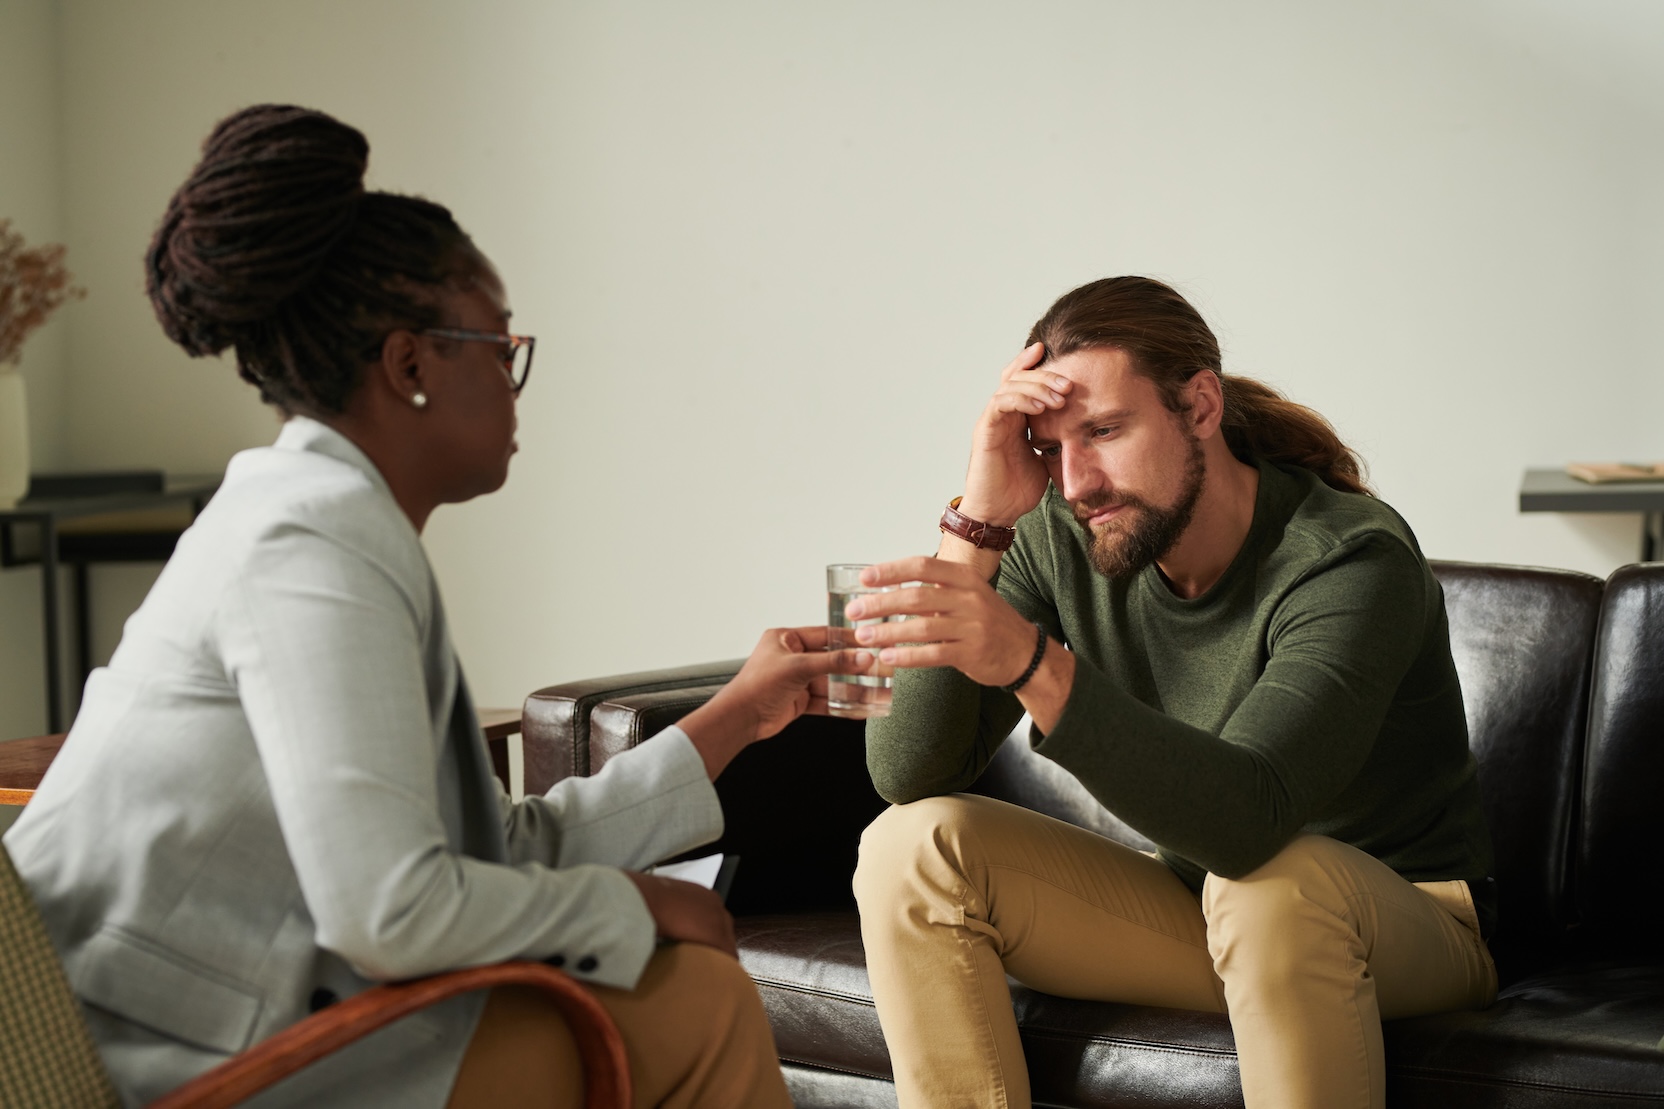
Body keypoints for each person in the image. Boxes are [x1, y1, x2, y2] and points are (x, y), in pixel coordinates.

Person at [4, 105, 859, 1108]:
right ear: (410, 364)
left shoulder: (315, 518)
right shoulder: (310, 544)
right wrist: (629, 907)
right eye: (499, 344)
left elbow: (496, 848)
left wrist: (739, 714)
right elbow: (390, 910)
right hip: (147, 1061)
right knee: (695, 1001)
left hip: (210, 1023)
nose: (512, 380)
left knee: (684, 991)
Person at [845, 276, 1498, 1109]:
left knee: (1274, 887)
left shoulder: (1348, 559)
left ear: (1200, 406)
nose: (1077, 481)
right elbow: (905, 770)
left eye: (1104, 431)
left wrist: (1033, 663)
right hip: (1206, 901)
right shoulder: (1063, 531)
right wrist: (978, 524)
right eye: (1051, 448)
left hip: (1409, 921)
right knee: (910, 847)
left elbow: (1249, 818)